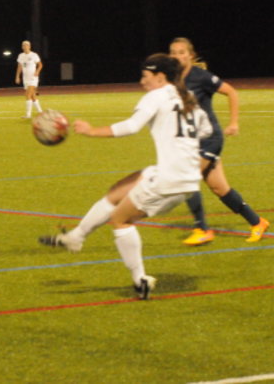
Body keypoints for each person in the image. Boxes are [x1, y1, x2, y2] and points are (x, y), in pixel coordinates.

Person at [39, 53, 212, 300]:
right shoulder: (188, 97)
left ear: (160, 77)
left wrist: (91, 131)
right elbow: (206, 130)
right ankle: (76, 237)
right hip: (184, 176)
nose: (142, 81)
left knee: (120, 220)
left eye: (146, 76)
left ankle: (140, 280)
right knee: (117, 192)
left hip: (169, 179)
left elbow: (131, 126)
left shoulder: (156, 96)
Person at [169, 37, 269, 245]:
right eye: (173, 52)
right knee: (219, 188)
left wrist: (234, 123)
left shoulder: (201, 77)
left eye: (181, 52)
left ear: (191, 55)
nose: (177, 56)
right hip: (192, 141)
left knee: (188, 178)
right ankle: (257, 222)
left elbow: (231, 92)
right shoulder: (173, 79)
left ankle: (201, 228)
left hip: (210, 138)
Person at [15, 40, 44, 118]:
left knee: (27, 95)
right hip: (25, 78)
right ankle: (40, 112)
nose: (25, 47)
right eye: (23, 45)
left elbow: (40, 65)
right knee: (33, 96)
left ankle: (28, 115)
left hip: (33, 78)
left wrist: (37, 71)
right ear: (22, 47)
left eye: (26, 45)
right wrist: (17, 76)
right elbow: (19, 67)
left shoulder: (34, 55)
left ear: (29, 46)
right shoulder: (20, 55)